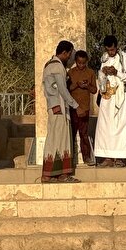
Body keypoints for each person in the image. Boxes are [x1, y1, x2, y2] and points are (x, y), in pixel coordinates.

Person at [41, 41, 81, 184]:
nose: (70, 58)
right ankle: (59, 174)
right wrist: (76, 105)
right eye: (69, 54)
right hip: (59, 107)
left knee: (56, 139)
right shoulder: (57, 67)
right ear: (65, 53)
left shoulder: (48, 65)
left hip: (54, 106)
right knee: (60, 139)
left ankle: (53, 174)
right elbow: (63, 90)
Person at [94, 35, 126, 167]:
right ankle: (108, 157)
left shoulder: (125, 58)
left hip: (120, 97)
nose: (110, 52)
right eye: (108, 50)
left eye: (112, 50)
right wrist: (103, 72)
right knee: (105, 127)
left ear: (116, 47)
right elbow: (100, 78)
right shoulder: (104, 59)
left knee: (121, 126)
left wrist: (116, 72)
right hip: (107, 97)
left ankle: (121, 158)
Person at [65, 50, 97, 167]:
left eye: (83, 63)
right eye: (79, 63)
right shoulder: (71, 73)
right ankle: (70, 157)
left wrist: (87, 85)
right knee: (72, 133)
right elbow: (67, 90)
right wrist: (77, 84)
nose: (81, 65)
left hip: (85, 108)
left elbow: (94, 90)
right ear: (75, 61)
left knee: (84, 133)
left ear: (86, 62)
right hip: (73, 107)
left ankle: (86, 157)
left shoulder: (90, 73)